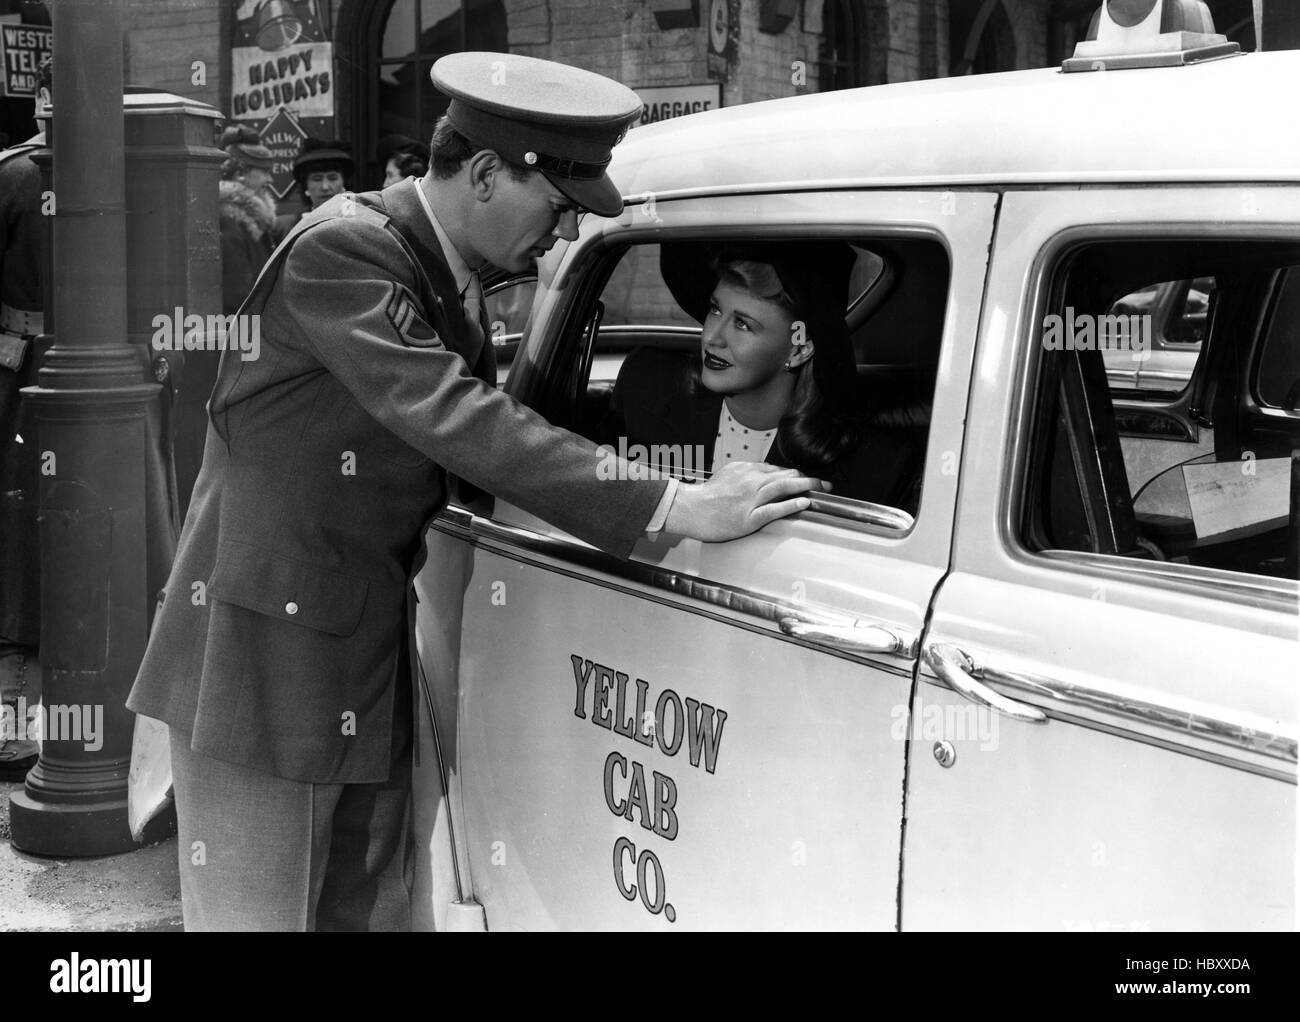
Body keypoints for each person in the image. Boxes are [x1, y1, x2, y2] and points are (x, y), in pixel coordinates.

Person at [125, 52, 824, 932]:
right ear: (489, 173)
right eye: (561, 207)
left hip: (357, 656)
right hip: (259, 669)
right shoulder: (345, 249)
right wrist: (672, 504)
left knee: (364, 914)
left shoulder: (442, 276)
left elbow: (484, 443)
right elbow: (459, 418)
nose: (565, 235)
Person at [601, 242, 922, 510]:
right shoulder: (646, 389)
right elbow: (605, 504)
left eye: (743, 324)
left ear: (799, 349)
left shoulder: (876, 466)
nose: (713, 336)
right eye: (715, 309)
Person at [0, 55, 51, 779]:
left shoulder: (126, 169)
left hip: (107, 382)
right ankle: (12, 720)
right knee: (14, 537)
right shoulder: (13, 176)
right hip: (19, 378)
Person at [217, 125, 278, 315]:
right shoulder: (228, 219)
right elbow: (238, 293)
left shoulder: (250, 218)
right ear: (240, 173)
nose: (269, 180)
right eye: (264, 172)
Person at [273, 137, 354, 242]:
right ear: (306, 187)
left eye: (332, 178)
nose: (325, 187)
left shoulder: (360, 222)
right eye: (317, 179)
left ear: (344, 183)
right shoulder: (286, 229)